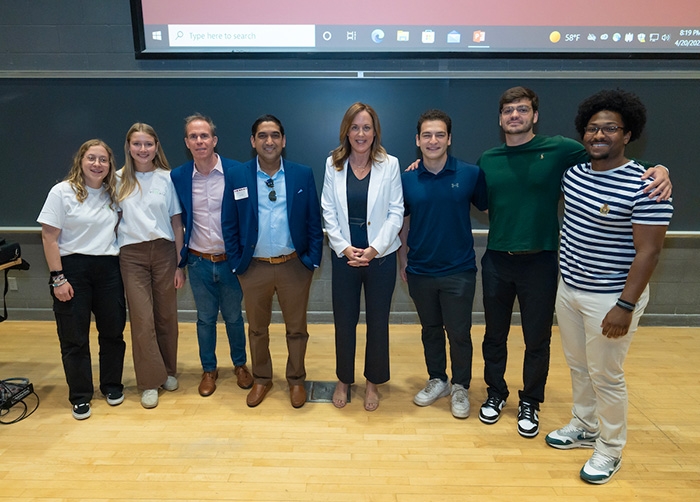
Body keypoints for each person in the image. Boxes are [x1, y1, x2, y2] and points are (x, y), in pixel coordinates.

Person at [475, 86, 672, 438]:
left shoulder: (561, 150)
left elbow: (613, 157)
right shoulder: (488, 158)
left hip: (543, 262)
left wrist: (659, 168)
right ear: (500, 118)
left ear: (535, 115)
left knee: (537, 339)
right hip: (497, 261)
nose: (515, 116)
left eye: (522, 109)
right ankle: (495, 394)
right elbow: (473, 195)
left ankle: (530, 401)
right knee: (494, 335)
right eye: (508, 111)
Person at [545, 89, 673, 484]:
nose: (599, 135)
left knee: (607, 375)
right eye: (592, 128)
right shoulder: (574, 174)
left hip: (611, 298)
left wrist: (626, 305)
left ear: (628, 134)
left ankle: (610, 449)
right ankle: (584, 426)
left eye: (610, 129)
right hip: (569, 289)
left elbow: (648, 253)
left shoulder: (648, 185)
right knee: (579, 366)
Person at [222, 114, 323, 409]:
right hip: (253, 268)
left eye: (275, 135)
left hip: (294, 266)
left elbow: (313, 222)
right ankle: (262, 379)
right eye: (263, 136)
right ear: (253, 141)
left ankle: (296, 380)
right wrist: (236, 264)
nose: (270, 141)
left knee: (297, 329)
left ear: (284, 141)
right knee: (257, 329)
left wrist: (311, 261)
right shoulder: (238, 176)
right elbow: (228, 222)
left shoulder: (302, 174)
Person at [398, 109, 488, 419]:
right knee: (430, 330)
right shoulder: (406, 179)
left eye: (439, 134)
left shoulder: (470, 174)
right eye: (427, 135)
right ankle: (439, 379)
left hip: (459, 271)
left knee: (459, 332)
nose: (433, 140)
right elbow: (404, 222)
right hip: (420, 270)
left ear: (449, 138)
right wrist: (403, 261)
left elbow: (489, 208)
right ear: (417, 140)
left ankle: (461, 385)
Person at [321, 103, 404, 412]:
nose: (360, 133)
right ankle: (344, 379)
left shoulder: (390, 164)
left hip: (380, 258)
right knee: (344, 322)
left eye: (366, 127)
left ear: (375, 132)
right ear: (346, 130)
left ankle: (372, 382)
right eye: (354, 127)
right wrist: (344, 247)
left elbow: (397, 211)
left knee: (378, 322)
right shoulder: (333, 163)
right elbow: (328, 209)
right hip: (344, 257)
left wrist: (374, 249)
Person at [37, 139, 126, 420]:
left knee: (112, 332)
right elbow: (49, 237)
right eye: (91, 158)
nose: (97, 164)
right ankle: (80, 396)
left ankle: (111, 386)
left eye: (103, 160)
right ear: (80, 160)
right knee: (74, 337)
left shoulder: (114, 193)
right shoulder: (61, 192)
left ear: (110, 165)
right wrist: (58, 278)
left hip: (109, 270)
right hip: (72, 269)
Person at [170, 114, 253, 397]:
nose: (199, 141)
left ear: (214, 140)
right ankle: (209, 369)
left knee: (233, 317)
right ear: (186, 143)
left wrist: (244, 256)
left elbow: (247, 216)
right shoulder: (179, 176)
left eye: (204, 135)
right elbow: (177, 220)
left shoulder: (236, 171)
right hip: (197, 261)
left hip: (230, 261)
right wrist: (179, 263)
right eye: (193, 137)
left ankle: (240, 365)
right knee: (205, 319)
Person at [117, 123, 185, 409]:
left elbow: (176, 223)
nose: (142, 149)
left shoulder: (167, 179)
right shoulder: (116, 179)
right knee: (143, 320)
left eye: (148, 144)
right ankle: (148, 381)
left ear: (157, 147)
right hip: (131, 255)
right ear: (128, 147)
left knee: (166, 316)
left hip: (164, 252)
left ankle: (168, 370)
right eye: (137, 144)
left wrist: (181, 264)